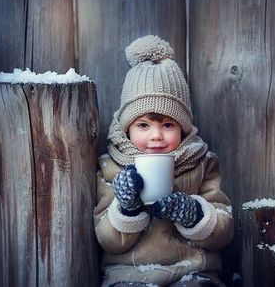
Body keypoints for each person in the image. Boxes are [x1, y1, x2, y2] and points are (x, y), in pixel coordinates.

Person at [93, 35, 234, 287]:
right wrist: (127, 207)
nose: (156, 135)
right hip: (129, 275)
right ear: (127, 128)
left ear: (183, 128)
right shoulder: (111, 167)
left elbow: (224, 230)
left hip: (192, 272)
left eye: (168, 124)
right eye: (143, 125)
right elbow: (107, 240)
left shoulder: (201, 162)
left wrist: (193, 213)